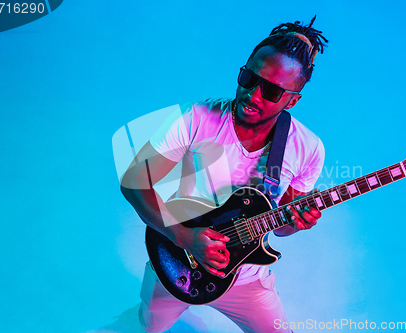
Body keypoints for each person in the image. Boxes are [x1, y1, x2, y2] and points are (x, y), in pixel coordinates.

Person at [121, 16, 328, 333]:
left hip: (247, 280)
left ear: (292, 101)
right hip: (177, 260)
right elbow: (134, 182)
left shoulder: (308, 149)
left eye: (272, 91)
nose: (253, 95)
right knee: (143, 329)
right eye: (248, 78)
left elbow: (283, 229)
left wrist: (297, 222)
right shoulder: (196, 118)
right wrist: (184, 237)